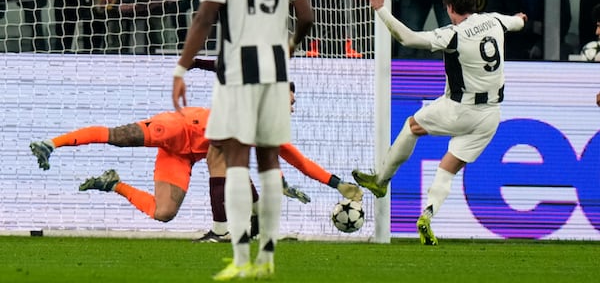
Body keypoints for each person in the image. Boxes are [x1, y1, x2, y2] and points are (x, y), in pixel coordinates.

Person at [171, 0, 314, 280]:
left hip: (237, 70)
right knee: (269, 161)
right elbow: (306, 15)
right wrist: (289, 48)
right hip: (274, 69)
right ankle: (267, 254)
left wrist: (182, 68)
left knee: (234, 158)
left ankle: (239, 256)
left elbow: (204, 19)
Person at [29, 76, 361, 234]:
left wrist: (337, 184)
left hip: (184, 157)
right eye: (288, 99)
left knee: (164, 213)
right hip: (177, 128)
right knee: (118, 137)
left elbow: (296, 158)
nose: (292, 105)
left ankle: (113, 184)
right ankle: (52, 143)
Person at [352, 0, 526, 245]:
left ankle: (381, 180)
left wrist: (381, 9)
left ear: (450, 8)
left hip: (460, 108)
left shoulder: (453, 34)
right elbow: (518, 23)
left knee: (412, 125)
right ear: (475, 3)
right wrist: (519, 19)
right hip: (490, 116)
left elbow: (407, 38)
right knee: (449, 167)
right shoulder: (495, 21)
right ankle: (428, 214)